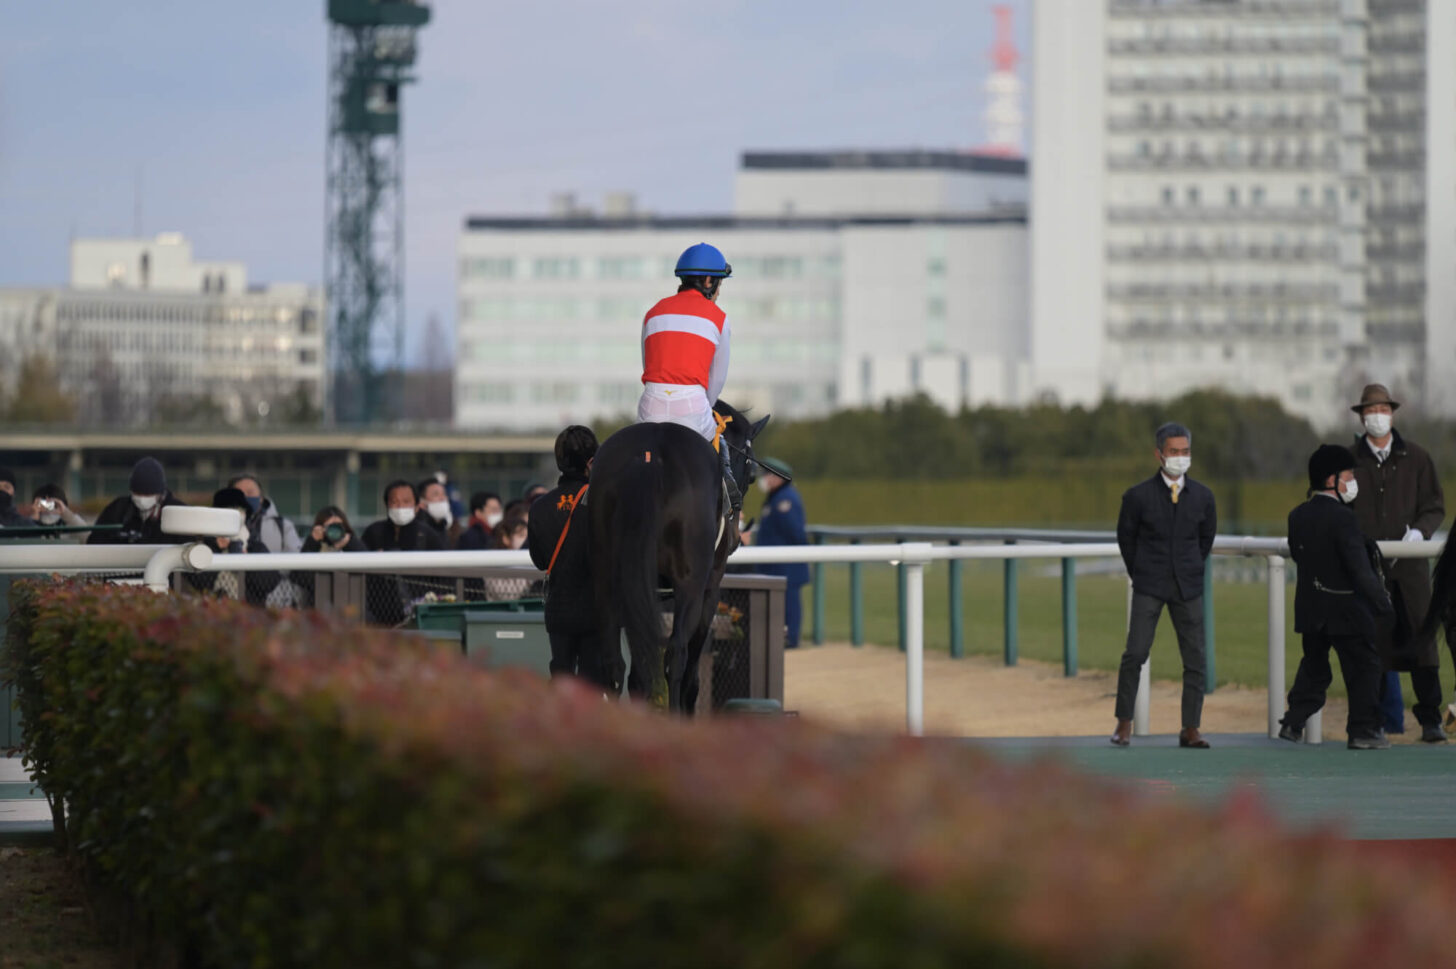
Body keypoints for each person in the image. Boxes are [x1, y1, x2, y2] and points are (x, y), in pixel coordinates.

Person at [1345, 383, 1447, 743]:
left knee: (1423, 645)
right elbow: (1335, 508)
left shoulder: (1417, 458)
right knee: (1371, 647)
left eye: (1383, 410)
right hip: (1368, 571)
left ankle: (1431, 719)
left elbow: (1435, 505)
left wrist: (1420, 532)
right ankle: (1371, 722)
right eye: (1371, 411)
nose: (1377, 417)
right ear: (1362, 416)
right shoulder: (1348, 462)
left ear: (1392, 414)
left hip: (1412, 572)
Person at [1279, 445, 1395, 749]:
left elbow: (1296, 553)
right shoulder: (1344, 519)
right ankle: (1363, 731)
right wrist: (1383, 605)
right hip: (1347, 609)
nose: (1352, 480)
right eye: (1348, 475)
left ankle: (1293, 722)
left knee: (1314, 668)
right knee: (1364, 669)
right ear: (1332, 479)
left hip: (1309, 607)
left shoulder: (1297, 516)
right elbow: (1359, 569)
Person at [1111, 422, 1217, 749]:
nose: (1180, 457)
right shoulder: (1137, 496)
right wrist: (1141, 572)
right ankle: (1124, 723)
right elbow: (1126, 539)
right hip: (1149, 585)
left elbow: (1205, 539)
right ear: (1159, 454)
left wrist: (1191, 568)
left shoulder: (1203, 496)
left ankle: (1190, 728)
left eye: (1185, 452)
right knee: (1136, 653)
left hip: (1188, 586)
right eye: (1174, 452)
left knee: (1196, 658)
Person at [635, 242, 739, 514]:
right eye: (718, 284)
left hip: (650, 406)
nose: (718, 292)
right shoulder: (719, 319)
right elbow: (715, 380)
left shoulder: (653, 312)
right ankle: (729, 511)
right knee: (723, 451)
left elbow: (648, 367)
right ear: (707, 281)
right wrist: (702, 405)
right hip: (692, 409)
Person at [527, 425, 613, 685]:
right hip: (597, 609)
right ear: (591, 461)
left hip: (559, 609)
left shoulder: (539, 506)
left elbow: (540, 561)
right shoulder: (605, 502)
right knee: (593, 682)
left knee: (562, 678)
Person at [742, 457, 809, 648]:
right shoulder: (776, 498)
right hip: (776, 567)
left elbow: (795, 533)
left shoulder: (785, 499)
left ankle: (790, 640)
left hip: (787, 566)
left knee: (789, 606)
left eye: (768, 475)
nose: (764, 479)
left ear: (778, 478)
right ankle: (783, 638)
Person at [361, 480, 445, 625]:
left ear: (417, 506)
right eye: (394, 502)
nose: (400, 507)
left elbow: (443, 579)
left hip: (419, 618)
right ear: (387, 505)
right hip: (378, 618)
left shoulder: (428, 535)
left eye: (406, 501)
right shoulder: (373, 533)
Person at [185, 488, 280, 606]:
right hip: (211, 614)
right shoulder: (203, 545)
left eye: (241, 510)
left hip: (250, 616)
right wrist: (217, 550)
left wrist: (244, 559)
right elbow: (199, 582)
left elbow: (268, 583)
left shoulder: (255, 546)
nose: (237, 515)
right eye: (229, 511)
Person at [87, 457, 187, 545]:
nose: (142, 499)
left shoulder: (179, 514)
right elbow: (95, 542)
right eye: (138, 494)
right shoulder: (117, 510)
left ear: (160, 494)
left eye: (148, 494)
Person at [227, 473, 303, 554]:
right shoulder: (220, 526)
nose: (245, 497)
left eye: (250, 492)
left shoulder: (283, 526)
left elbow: (295, 558)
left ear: (261, 498)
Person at [417, 477, 464, 548]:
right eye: (436, 494)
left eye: (444, 494)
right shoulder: (418, 532)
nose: (442, 498)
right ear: (422, 503)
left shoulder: (450, 529)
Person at [301, 506, 366, 554]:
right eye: (330, 526)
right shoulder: (312, 543)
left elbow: (366, 563)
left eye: (338, 525)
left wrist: (350, 544)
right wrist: (313, 542)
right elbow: (300, 570)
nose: (335, 531)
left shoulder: (352, 543)